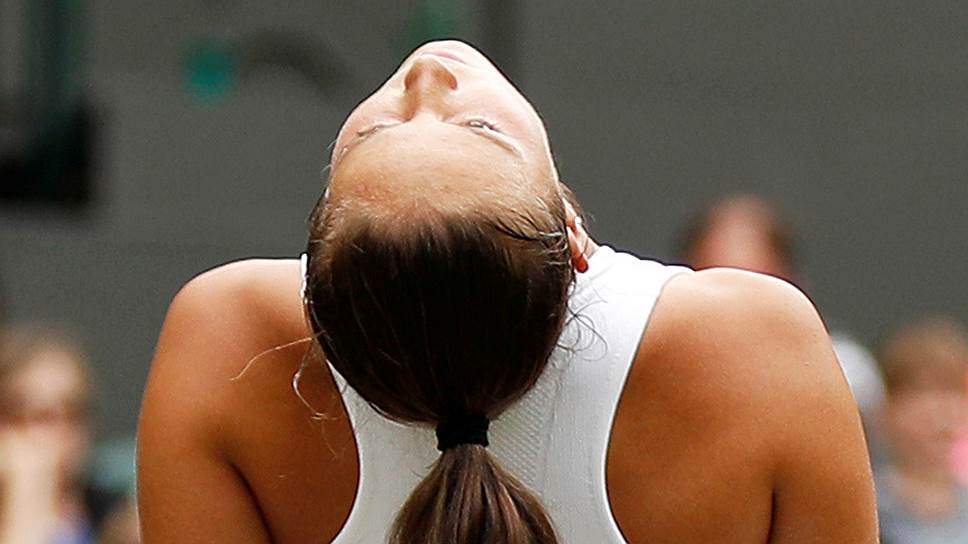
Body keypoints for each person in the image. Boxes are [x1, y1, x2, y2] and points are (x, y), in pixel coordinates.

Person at [137, 40, 877, 543]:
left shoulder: (228, 343)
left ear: (319, 295)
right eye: (481, 129)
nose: (426, 80)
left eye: (375, 136)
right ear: (571, 232)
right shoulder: (754, 347)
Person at [680, 194, 887, 427]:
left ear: (791, 282)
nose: (735, 303)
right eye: (718, 281)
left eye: (753, 281)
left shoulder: (843, 370)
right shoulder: (660, 369)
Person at [0, 324, 124, 544]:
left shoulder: (118, 517)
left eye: (73, 413)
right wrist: (28, 493)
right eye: (41, 416)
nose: (61, 430)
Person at [875, 317, 968, 543]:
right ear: (888, 408)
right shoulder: (866, 508)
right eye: (921, 392)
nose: (940, 412)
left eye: (952, 391)